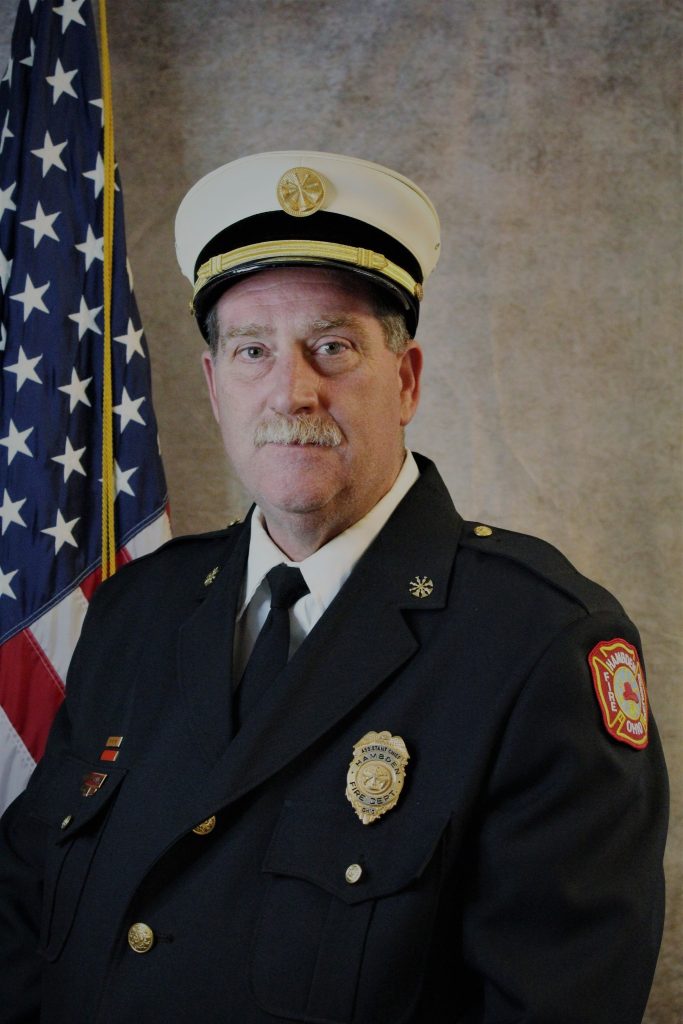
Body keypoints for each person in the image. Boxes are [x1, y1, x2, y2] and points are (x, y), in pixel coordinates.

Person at [0, 151, 668, 1023]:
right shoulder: (138, 609)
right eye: (251, 349)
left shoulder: (539, 645)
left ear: (407, 380)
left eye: (333, 346)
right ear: (212, 386)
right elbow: (21, 911)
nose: (292, 390)